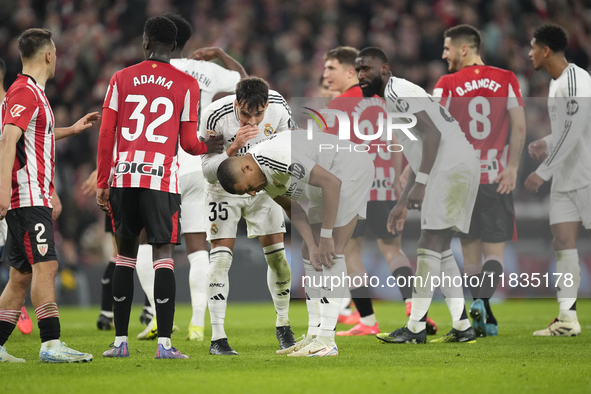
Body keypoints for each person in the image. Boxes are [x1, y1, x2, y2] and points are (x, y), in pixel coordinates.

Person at [96, 16, 222, 359]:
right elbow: (188, 143)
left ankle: (119, 342)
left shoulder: (120, 78)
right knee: (163, 256)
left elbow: (107, 134)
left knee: (124, 256)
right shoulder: (185, 84)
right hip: (160, 180)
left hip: (123, 176)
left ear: (146, 42)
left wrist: (102, 180)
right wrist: (207, 145)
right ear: (176, 46)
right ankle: (165, 344)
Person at [132, 13, 248, 342]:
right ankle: (198, 323)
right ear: (186, 41)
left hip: (161, 164)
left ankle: (156, 313)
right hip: (199, 163)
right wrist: (222, 55)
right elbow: (247, 83)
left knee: (147, 241)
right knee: (198, 246)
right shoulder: (208, 70)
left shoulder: (154, 70)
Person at [354, 47, 479, 344]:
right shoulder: (392, 97)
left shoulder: (398, 92)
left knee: (429, 242)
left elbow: (433, 135)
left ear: (384, 69)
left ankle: (415, 328)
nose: (361, 75)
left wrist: (421, 184)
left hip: (451, 166)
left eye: (366, 69)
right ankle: (462, 326)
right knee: (442, 247)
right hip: (452, 166)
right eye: (358, 69)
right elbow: (420, 150)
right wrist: (401, 201)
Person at [216, 129, 374, 356]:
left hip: (350, 168)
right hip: (328, 179)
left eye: (248, 188)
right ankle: (313, 335)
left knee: (332, 253)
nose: (252, 193)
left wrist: (326, 237)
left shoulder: (275, 157)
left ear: (246, 168)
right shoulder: (260, 172)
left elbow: (332, 183)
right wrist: (311, 243)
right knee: (309, 251)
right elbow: (292, 207)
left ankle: (327, 341)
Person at [322, 46, 438, 337]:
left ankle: (368, 321)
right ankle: (413, 307)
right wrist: (401, 178)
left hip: (352, 189)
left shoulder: (336, 106)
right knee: (393, 250)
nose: (326, 76)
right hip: (386, 184)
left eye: (331, 69)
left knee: (350, 254)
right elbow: (398, 141)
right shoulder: (387, 100)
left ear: (351, 71)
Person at [0, 28, 98, 363]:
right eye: (55, 51)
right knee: (47, 265)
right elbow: (8, 140)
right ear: (48, 55)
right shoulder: (25, 92)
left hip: (32, 196)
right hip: (27, 197)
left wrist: (71, 129)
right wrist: (2, 190)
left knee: (21, 276)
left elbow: (35, 133)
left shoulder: (31, 93)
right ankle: (51, 344)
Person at [433, 25, 526, 337]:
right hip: (495, 177)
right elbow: (520, 126)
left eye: (447, 49)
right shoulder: (506, 78)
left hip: (461, 181)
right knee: (495, 256)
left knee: (470, 256)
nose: (443, 55)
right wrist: (512, 166)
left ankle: (481, 312)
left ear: (463, 49)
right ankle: (485, 309)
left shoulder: (446, 83)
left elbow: (435, 130)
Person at [200, 76, 296, 355]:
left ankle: (283, 325)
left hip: (264, 188)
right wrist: (231, 149)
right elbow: (206, 169)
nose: (252, 122)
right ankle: (218, 337)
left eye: (259, 114)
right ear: (236, 103)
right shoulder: (214, 115)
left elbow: (289, 149)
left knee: (278, 257)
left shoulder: (279, 106)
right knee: (219, 260)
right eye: (245, 114)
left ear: (267, 104)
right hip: (223, 189)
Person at [525, 24, 591, 337]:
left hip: (587, 176)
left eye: (532, 47)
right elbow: (567, 132)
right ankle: (567, 319)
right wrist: (547, 143)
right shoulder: (556, 84)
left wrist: (543, 170)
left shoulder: (577, 79)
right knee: (563, 243)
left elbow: (577, 130)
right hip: (566, 180)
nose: (529, 54)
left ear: (546, 50)